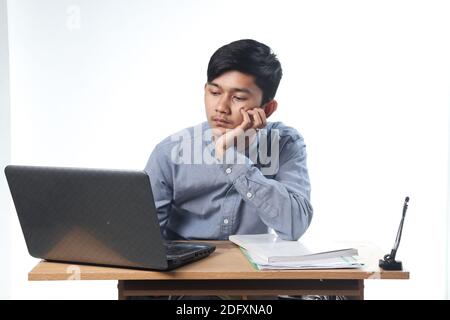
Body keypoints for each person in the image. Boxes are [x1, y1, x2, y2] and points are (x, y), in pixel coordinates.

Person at [144, 39, 313, 242]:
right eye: (214, 93)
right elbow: (142, 240)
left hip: (250, 270)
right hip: (186, 271)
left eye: (238, 98)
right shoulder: (170, 152)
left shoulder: (285, 143)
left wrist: (229, 156)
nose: (221, 107)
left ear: (266, 109)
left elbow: (295, 226)